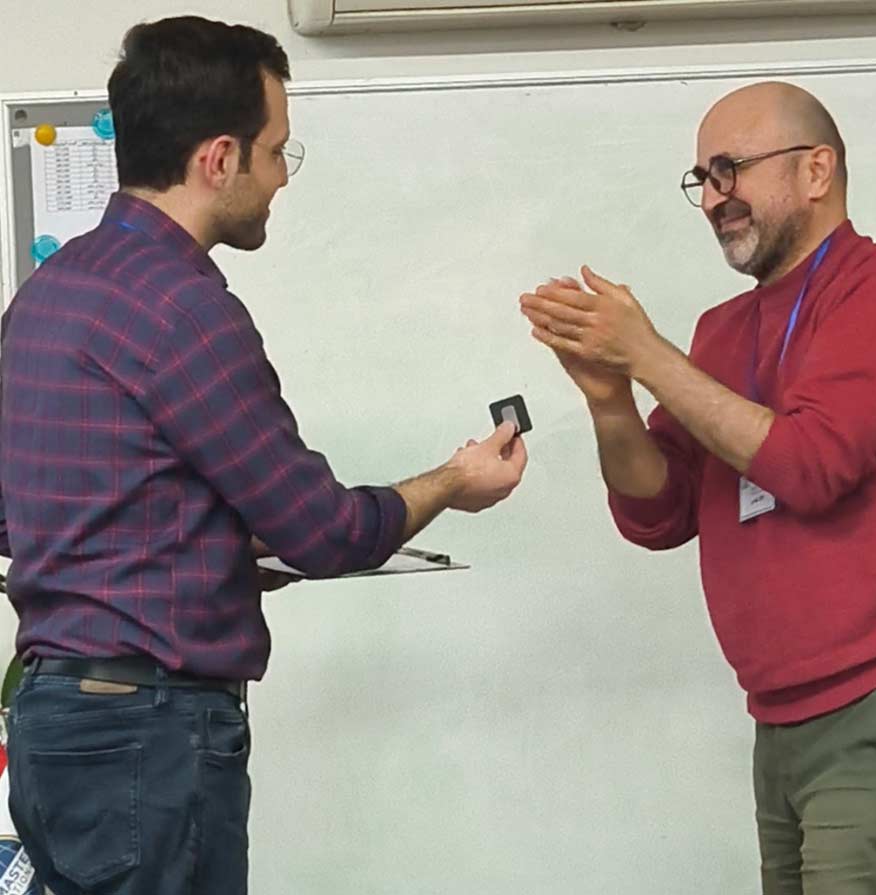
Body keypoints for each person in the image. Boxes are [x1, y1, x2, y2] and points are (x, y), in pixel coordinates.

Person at [0, 16, 527, 895]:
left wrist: (201, 545)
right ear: (218, 159)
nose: (282, 176)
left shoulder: (45, 297)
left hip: (54, 734)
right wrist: (451, 481)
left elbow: (18, 519)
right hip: (149, 743)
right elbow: (324, 532)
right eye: (277, 151)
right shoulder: (182, 309)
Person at [520, 81, 876, 895]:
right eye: (702, 177)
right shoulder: (720, 331)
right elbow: (656, 513)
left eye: (730, 169)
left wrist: (647, 355)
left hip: (873, 701)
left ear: (816, 171)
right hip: (776, 714)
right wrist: (610, 397)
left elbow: (809, 467)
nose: (713, 198)